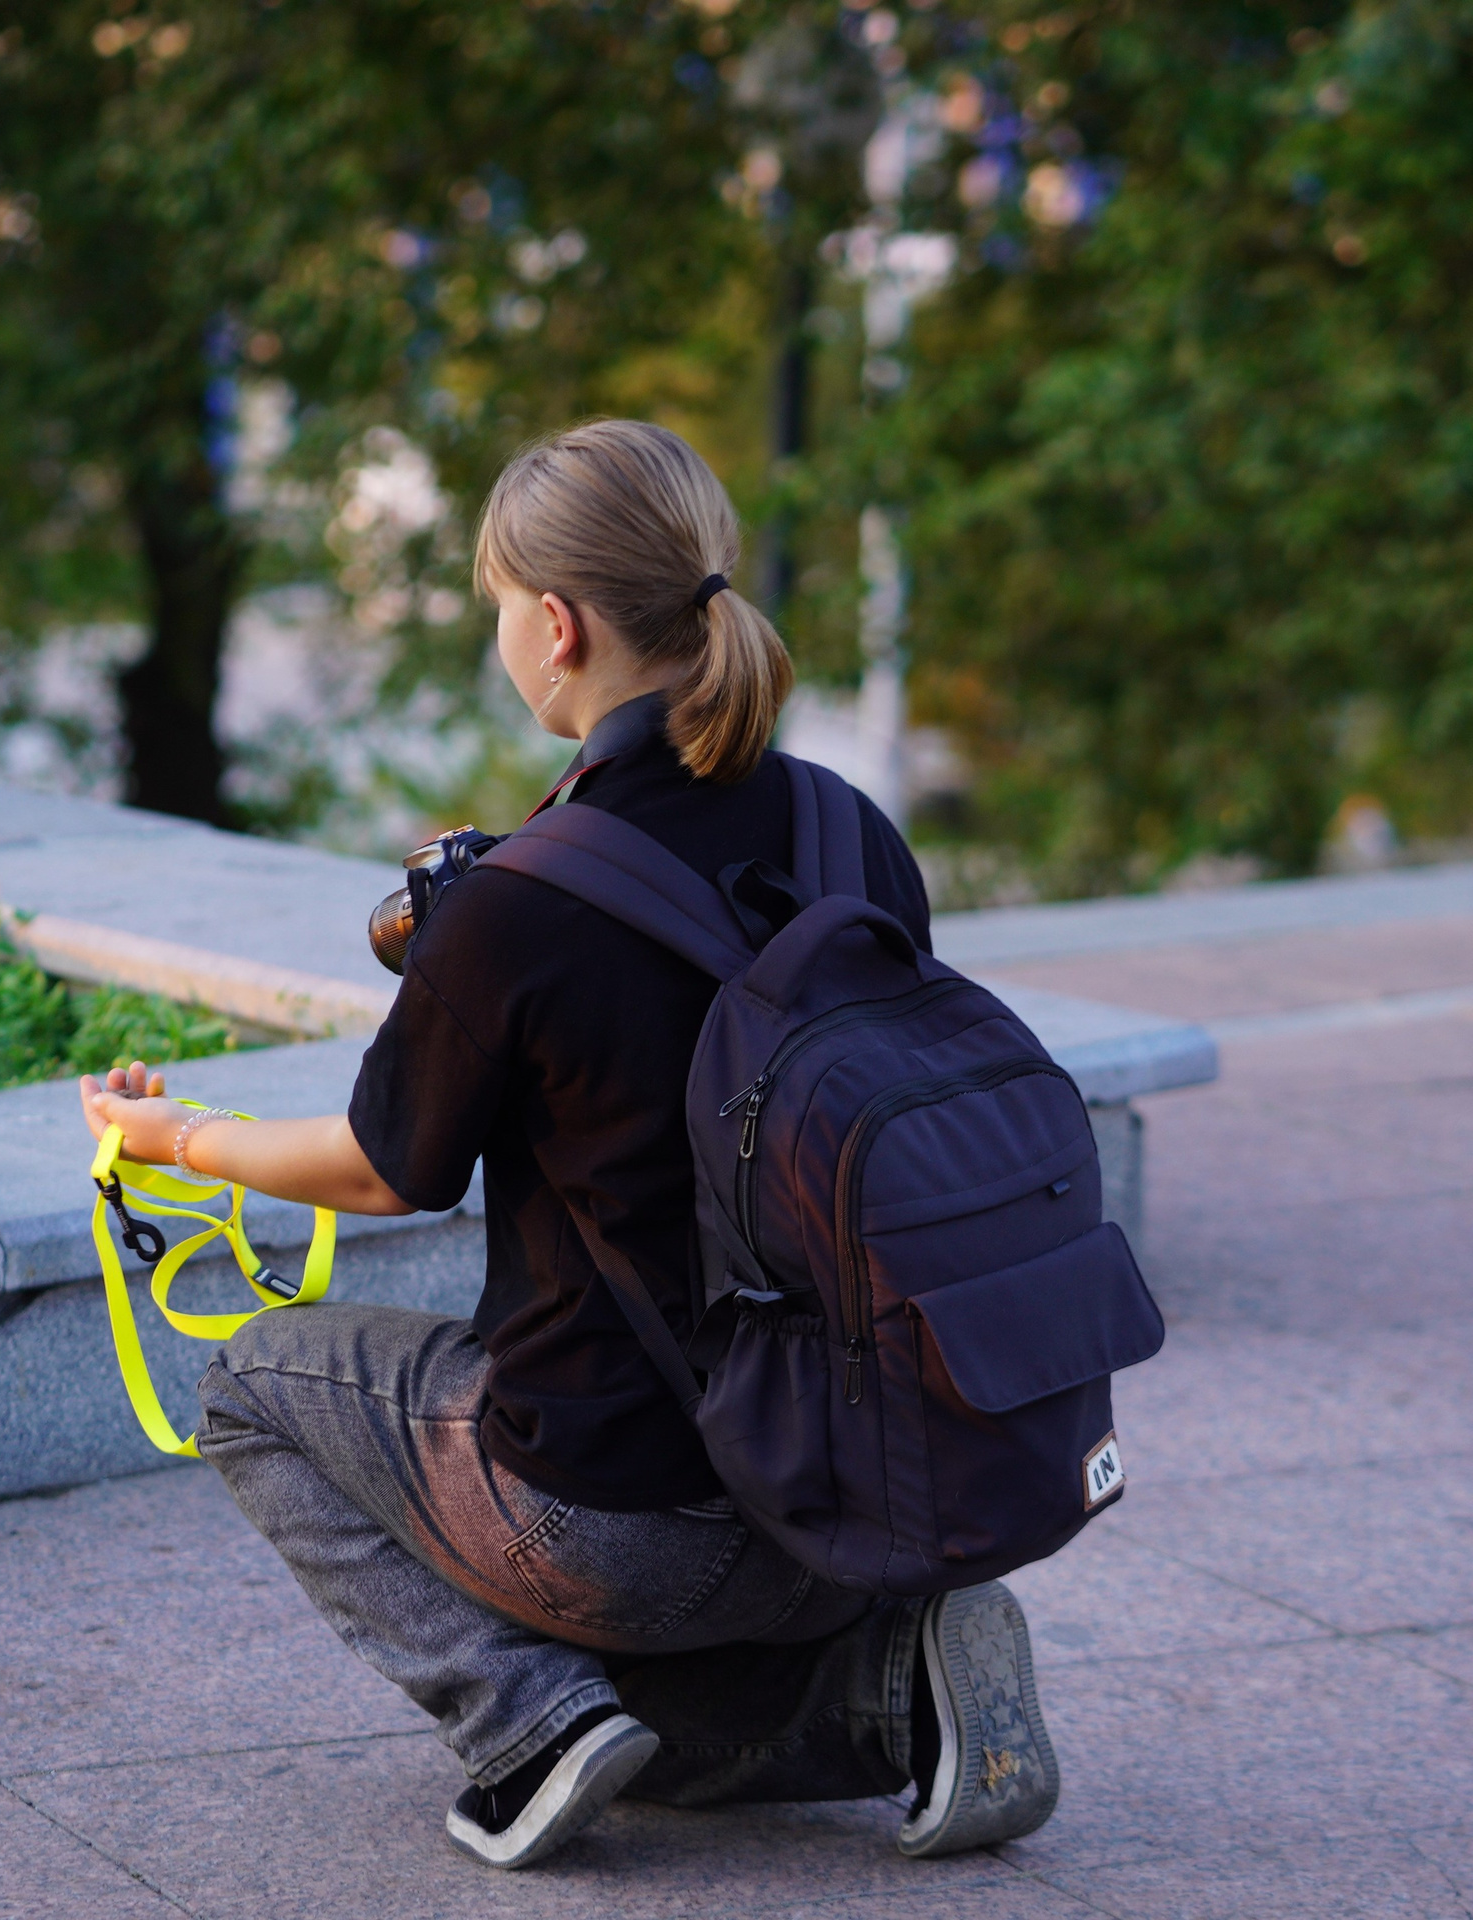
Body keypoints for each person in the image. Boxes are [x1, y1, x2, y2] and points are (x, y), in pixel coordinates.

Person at [77, 420, 1059, 1871]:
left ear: (556, 623)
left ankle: (521, 1715)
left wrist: (175, 1136)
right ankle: (884, 1681)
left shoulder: (520, 904)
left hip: (620, 1525)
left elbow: (378, 1167)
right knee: (666, 1735)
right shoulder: (852, 837)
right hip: (861, 1494)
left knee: (250, 1386)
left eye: (494, 608)